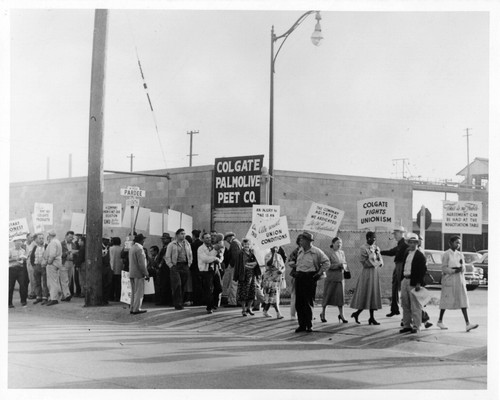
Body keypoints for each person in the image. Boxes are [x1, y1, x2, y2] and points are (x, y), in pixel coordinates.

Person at [437, 235, 478, 332]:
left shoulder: (460, 254)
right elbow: (443, 268)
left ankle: (468, 323)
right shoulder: (446, 254)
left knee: (462, 300)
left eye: (459, 243)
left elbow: (463, 267)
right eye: (456, 242)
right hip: (450, 279)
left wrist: (461, 268)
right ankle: (440, 320)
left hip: (459, 279)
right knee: (446, 300)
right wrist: (453, 271)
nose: (458, 245)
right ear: (450, 243)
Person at [294, 232, 330, 333]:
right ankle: (302, 325)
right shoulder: (300, 250)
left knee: (308, 302)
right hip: (300, 276)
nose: (300, 241)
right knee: (299, 302)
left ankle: (309, 324)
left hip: (310, 277)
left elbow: (327, 262)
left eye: (302, 240)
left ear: (307, 241)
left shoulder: (316, 251)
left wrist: (319, 273)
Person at [350, 231, 383, 325]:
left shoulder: (376, 248)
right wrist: (373, 259)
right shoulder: (363, 248)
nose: (374, 240)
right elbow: (363, 261)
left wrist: (378, 258)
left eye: (375, 238)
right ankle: (358, 313)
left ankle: (371, 317)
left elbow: (380, 259)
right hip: (367, 273)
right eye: (372, 238)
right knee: (366, 293)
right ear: (367, 238)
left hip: (374, 273)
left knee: (373, 294)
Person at [399, 233, 427, 334]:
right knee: (405, 303)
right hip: (405, 279)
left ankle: (417, 325)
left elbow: (422, 270)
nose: (412, 244)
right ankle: (407, 325)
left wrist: (419, 282)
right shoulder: (407, 253)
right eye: (410, 242)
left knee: (415, 305)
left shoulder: (420, 255)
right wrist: (402, 279)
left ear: (417, 243)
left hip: (413, 281)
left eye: (414, 242)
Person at [381, 226, 408, 317]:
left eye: (396, 234)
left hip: (402, 267)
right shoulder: (401, 244)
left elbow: (393, 252)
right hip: (398, 266)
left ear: (401, 233)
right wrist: (380, 252)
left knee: (403, 290)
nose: (395, 236)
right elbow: (392, 252)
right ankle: (394, 309)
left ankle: (402, 312)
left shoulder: (405, 243)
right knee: (395, 287)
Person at [320, 237, 348, 324]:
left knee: (340, 297)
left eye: (340, 243)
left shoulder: (342, 252)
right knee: (327, 296)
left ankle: (341, 315)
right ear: (333, 243)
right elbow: (327, 265)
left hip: (340, 278)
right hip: (331, 278)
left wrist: (344, 266)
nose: (339, 244)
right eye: (337, 243)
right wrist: (338, 265)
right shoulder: (328, 253)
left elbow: (345, 263)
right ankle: (323, 313)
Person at [165, 228, 193, 310]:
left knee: (183, 285)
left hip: (185, 266)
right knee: (177, 285)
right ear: (177, 235)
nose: (183, 235)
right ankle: (177, 304)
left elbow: (190, 255)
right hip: (176, 266)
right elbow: (167, 257)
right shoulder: (172, 244)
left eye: (184, 234)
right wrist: (171, 266)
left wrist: (189, 264)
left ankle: (181, 302)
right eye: (181, 233)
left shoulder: (187, 244)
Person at [197, 232, 224, 313]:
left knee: (219, 288)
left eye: (209, 237)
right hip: (206, 270)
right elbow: (205, 259)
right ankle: (209, 307)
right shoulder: (201, 248)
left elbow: (221, 256)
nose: (209, 239)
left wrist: (218, 258)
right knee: (208, 289)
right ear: (202, 239)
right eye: (206, 238)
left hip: (215, 269)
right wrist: (215, 258)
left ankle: (214, 304)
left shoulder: (213, 246)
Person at [233, 238, 260, 316]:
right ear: (242, 245)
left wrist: (251, 265)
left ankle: (249, 308)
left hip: (252, 275)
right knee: (243, 293)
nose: (246, 246)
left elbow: (256, 263)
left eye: (248, 244)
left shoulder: (252, 253)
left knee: (252, 292)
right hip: (243, 275)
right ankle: (243, 310)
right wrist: (237, 276)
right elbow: (239, 265)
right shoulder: (240, 253)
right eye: (245, 244)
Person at [262, 246, 285, 319]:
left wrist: (281, 270)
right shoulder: (268, 255)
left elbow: (283, 266)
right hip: (269, 279)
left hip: (277, 279)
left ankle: (265, 311)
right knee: (273, 296)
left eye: (277, 247)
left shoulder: (279, 256)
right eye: (274, 247)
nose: (275, 249)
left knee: (271, 296)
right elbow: (269, 264)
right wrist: (272, 254)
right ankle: (278, 313)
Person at [128, 234, 149, 314]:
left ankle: (132, 308)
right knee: (139, 292)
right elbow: (142, 264)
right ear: (141, 240)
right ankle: (136, 309)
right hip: (139, 273)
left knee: (133, 292)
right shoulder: (140, 249)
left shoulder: (132, 248)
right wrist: (146, 273)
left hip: (132, 272)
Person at [44, 230, 63, 306]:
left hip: (52, 264)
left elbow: (52, 254)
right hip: (57, 263)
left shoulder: (52, 243)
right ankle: (56, 297)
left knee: (52, 282)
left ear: (49, 235)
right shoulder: (57, 241)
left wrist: (48, 262)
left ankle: (53, 298)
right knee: (55, 281)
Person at [222, 232, 241, 307]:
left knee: (233, 284)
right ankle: (236, 300)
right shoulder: (238, 242)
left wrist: (231, 265)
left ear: (229, 237)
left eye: (226, 239)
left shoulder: (234, 243)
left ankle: (232, 302)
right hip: (238, 266)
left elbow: (234, 257)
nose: (227, 241)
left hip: (235, 266)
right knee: (235, 284)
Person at [9, 237, 28, 308]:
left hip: (20, 269)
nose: (19, 243)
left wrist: (24, 259)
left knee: (23, 285)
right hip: (12, 269)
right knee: (10, 286)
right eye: (17, 242)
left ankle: (23, 301)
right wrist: (15, 259)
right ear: (14, 242)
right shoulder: (10, 250)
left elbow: (24, 259)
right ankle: (9, 303)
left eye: (20, 242)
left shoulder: (23, 251)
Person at [31, 233, 49, 305]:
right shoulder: (35, 247)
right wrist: (33, 265)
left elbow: (48, 256)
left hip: (44, 267)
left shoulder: (46, 246)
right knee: (37, 282)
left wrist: (46, 264)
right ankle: (38, 297)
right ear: (36, 240)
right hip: (36, 266)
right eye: (40, 238)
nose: (41, 240)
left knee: (44, 282)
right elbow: (32, 257)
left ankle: (45, 297)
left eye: (42, 238)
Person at [287, 235, 303, 320]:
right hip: (297, 275)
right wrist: (298, 265)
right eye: (301, 240)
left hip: (307, 275)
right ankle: (293, 314)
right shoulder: (295, 251)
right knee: (295, 295)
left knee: (306, 296)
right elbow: (290, 262)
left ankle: (306, 313)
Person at [155, 233, 173, 306]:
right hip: (163, 268)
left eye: (164, 239)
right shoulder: (164, 247)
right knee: (163, 284)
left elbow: (164, 257)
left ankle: (167, 300)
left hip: (166, 267)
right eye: (162, 239)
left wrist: (160, 265)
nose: (163, 240)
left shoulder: (169, 247)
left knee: (167, 284)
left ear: (168, 239)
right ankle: (163, 300)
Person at [60, 230, 77, 301]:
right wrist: (67, 253)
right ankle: (67, 294)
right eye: (70, 237)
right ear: (66, 236)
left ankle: (64, 296)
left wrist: (76, 253)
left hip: (71, 263)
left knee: (69, 280)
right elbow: (60, 254)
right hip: (64, 262)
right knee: (65, 279)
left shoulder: (74, 245)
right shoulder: (61, 244)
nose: (71, 239)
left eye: (72, 237)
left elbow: (76, 254)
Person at [190, 229, 203, 306]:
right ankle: (201, 300)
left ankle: (196, 301)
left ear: (193, 236)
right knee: (201, 283)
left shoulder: (192, 245)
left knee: (195, 284)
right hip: (201, 266)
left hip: (194, 266)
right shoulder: (202, 244)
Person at [109, 237, 124, 302]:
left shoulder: (110, 248)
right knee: (118, 284)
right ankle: (118, 297)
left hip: (112, 267)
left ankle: (111, 296)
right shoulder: (121, 249)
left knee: (112, 283)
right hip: (119, 267)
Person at [25, 233, 37, 300]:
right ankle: (26, 293)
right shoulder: (23, 244)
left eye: (32, 237)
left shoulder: (34, 244)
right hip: (23, 263)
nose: (32, 239)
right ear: (27, 237)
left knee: (32, 278)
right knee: (26, 279)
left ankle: (33, 293)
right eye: (30, 237)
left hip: (31, 262)